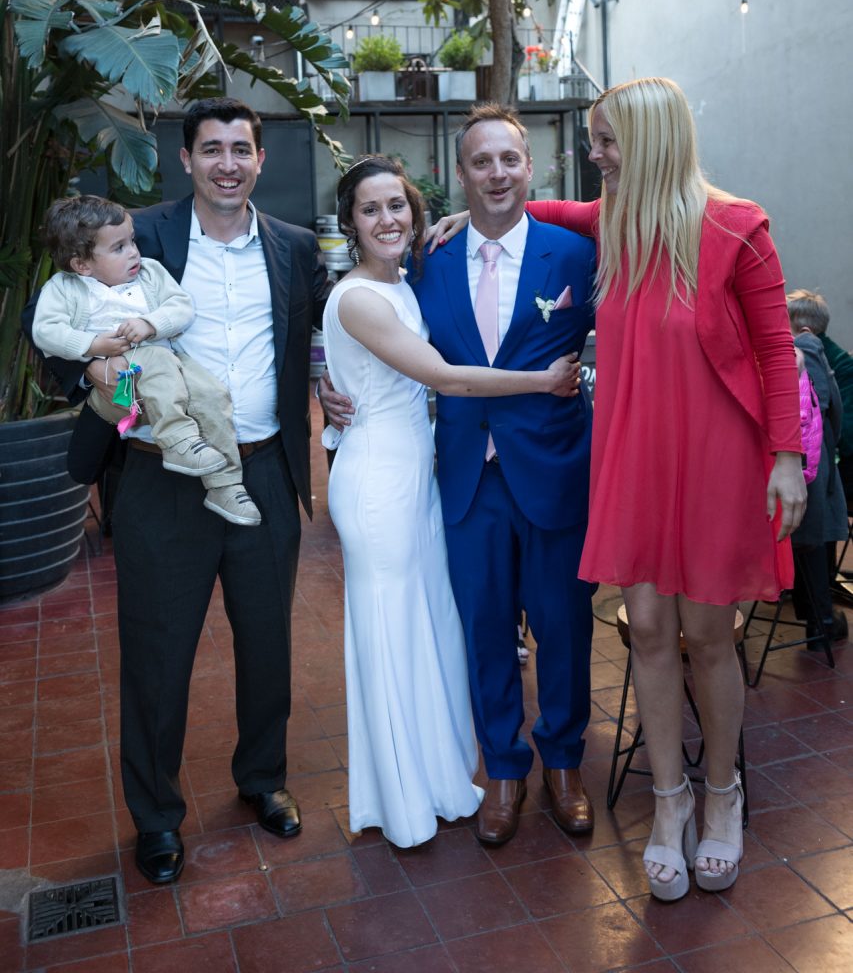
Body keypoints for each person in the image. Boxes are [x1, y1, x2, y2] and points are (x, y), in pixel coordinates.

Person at [431, 79, 806, 899]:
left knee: (708, 636)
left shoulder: (738, 228)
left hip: (716, 461)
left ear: (649, 139)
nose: (593, 153)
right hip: (635, 457)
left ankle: (720, 794)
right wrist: (471, 216)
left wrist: (786, 456)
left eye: (605, 140)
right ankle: (668, 802)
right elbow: (539, 210)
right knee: (646, 633)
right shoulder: (616, 224)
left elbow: (778, 350)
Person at [24, 98, 332, 885]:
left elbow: (320, 330)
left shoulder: (295, 245)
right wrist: (92, 368)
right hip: (159, 477)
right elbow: (50, 313)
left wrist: (333, 383)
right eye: (212, 149)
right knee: (156, 655)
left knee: (266, 643)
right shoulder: (143, 236)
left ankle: (262, 777)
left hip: (262, 468)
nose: (228, 163)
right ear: (187, 159)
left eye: (241, 149)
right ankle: (156, 817)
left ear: (260, 160)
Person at [322, 106, 598, 848]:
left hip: (553, 472)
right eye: (481, 162)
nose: (497, 174)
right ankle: (502, 770)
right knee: (481, 630)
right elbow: (376, 342)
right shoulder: (425, 263)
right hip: (462, 482)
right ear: (459, 173)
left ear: (529, 167)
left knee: (563, 627)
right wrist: (328, 387)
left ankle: (564, 765)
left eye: (509, 159)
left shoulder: (576, 257)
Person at [32, 194, 261, 527]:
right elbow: (45, 330)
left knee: (212, 393)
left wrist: (150, 323)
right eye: (119, 248)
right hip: (117, 389)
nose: (134, 252)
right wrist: (92, 345)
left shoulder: (150, 273)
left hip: (166, 366)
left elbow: (181, 307)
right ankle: (178, 440)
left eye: (132, 241)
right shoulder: (65, 288)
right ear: (82, 265)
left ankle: (225, 486)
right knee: (155, 358)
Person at [787, 290, 848, 643]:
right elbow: (834, 412)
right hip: (818, 460)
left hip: (807, 464)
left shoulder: (805, 350)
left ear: (803, 328)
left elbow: (816, 409)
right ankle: (820, 620)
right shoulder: (818, 351)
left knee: (811, 541)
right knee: (814, 540)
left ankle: (820, 621)